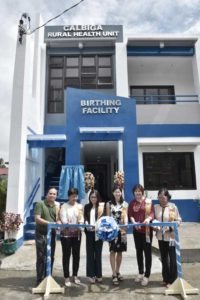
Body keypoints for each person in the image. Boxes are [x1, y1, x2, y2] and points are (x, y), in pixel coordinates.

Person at [154, 188, 182, 288]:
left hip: (171, 237)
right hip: (160, 237)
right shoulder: (155, 207)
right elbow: (153, 220)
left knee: (173, 259)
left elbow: (178, 220)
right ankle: (165, 279)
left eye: (163, 197)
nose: (161, 199)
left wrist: (170, 227)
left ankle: (172, 280)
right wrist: (154, 226)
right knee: (164, 259)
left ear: (167, 197)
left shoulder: (173, 207)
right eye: (159, 197)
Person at [128, 184, 154, 286]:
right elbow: (130, 214)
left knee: (147, 253)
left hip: (147, 231)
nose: (138, 193)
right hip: (137, 232)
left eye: (139, 191)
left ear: (142, 192)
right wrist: (134, 222)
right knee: (139, 252)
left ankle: (147, 275)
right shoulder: (132, 203)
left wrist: (148, 219)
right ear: (134, 193)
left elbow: (152, 213)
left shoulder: (148, 202)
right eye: (136, 191)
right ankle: (140, 272)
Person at [34, 187, 60, 285]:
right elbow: (37, 219)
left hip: (52, 234)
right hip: (41, 234)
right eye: (51, 193)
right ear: (47, 194)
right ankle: (39, 280)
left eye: (54, 194)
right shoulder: (40, 204)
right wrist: (50, 223)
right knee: (41, 256)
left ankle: (48, 276)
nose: (52, 195)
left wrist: (57, 223)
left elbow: (57, 218)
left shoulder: (56, 206)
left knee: (51, 256)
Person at [59, 188, 84, 287]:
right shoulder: (64, 206)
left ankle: (75, 275)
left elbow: (81, 218)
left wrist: (80, 224)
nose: (74, 198)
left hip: (77, 234)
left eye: (76, 196)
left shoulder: (80, 206)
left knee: (76, 255)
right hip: (66, 235)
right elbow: (64, 219)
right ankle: (66, 277)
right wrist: (69, 225)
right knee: (66, 255)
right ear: (68, 196)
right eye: (72, 196)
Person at [106, 186, 128, 285]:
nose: (117, 193)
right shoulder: (109, 204)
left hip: (122, 231)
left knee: (120, 252)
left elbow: (126, 216)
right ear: (113, 193)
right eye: (115, 192)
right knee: (112, 251)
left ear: (121, 193)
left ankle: (118, 271)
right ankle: (113, 273)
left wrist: (126, 223)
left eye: (119, 192)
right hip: (112, 231)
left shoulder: (125, 204)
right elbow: (107, 218)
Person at [84, 189, 105, 283]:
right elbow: (84, 217)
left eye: (95, 197)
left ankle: (98, 274)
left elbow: (103, 219)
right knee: (90, 254)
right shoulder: (86, 207)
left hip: (98, 233)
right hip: (89, 233)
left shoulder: (101, 207)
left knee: (98, 253)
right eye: (92, 197)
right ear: (89, 198)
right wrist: (86, 222)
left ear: (98, 198)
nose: (93, 199)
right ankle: (91, 274)